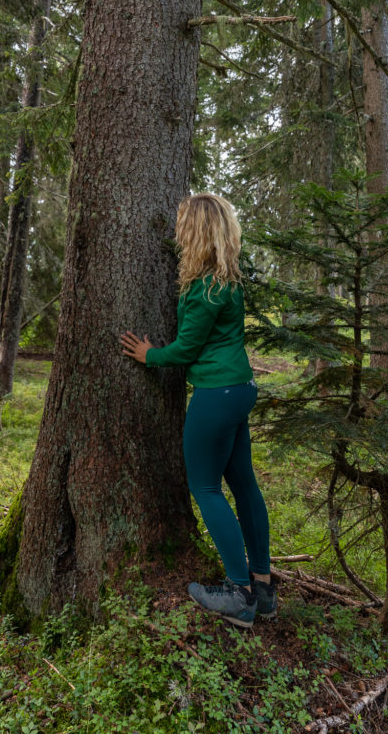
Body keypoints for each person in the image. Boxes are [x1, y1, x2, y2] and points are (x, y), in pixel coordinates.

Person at [120, 193, 277, 629]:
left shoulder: (203, 288)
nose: (176, 232)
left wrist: (149, 354)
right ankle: (262, 588)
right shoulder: (227, 280)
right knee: (243, 484)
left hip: (216, 394)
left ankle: (238, 593)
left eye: (182, 226)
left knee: (206, 488)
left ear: (196, 232)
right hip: (240, 388)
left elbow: (186, 349)